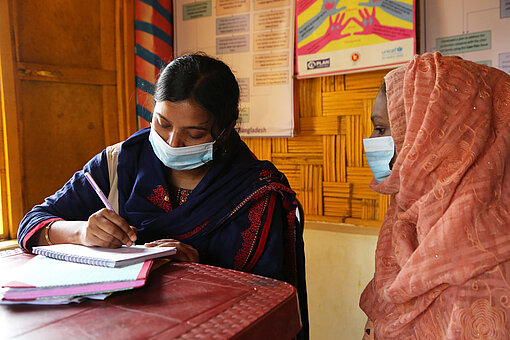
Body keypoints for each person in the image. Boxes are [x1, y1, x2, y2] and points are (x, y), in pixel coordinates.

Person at [17, 53, 308, 338]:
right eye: (162, 124)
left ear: (226, 129)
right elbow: (32, 224)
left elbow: (267, 302)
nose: (172, 142)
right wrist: (82, 233)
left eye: (194, 134)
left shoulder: (256, 192)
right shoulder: (119, 163)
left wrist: (198, 270)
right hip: (116, 328)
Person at [360, 52, 510, 339]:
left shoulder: (488, 279)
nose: (371, 141)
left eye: (381, 128)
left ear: (433, 139)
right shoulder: (407, 218)